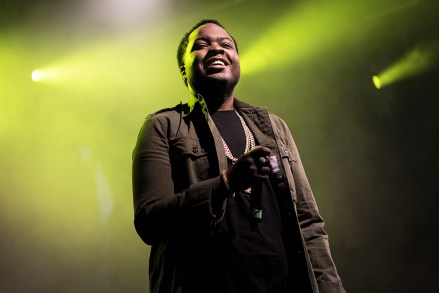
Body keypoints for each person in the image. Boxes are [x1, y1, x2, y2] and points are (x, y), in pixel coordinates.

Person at [132, 19, 345, 293]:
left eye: (226, 44)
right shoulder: (163, 126)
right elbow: (150, 221)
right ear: (184, 71)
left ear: (237, 62)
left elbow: (308, 222)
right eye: (201, 45)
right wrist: (227, 183)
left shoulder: (274, 128)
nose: (216, 50)